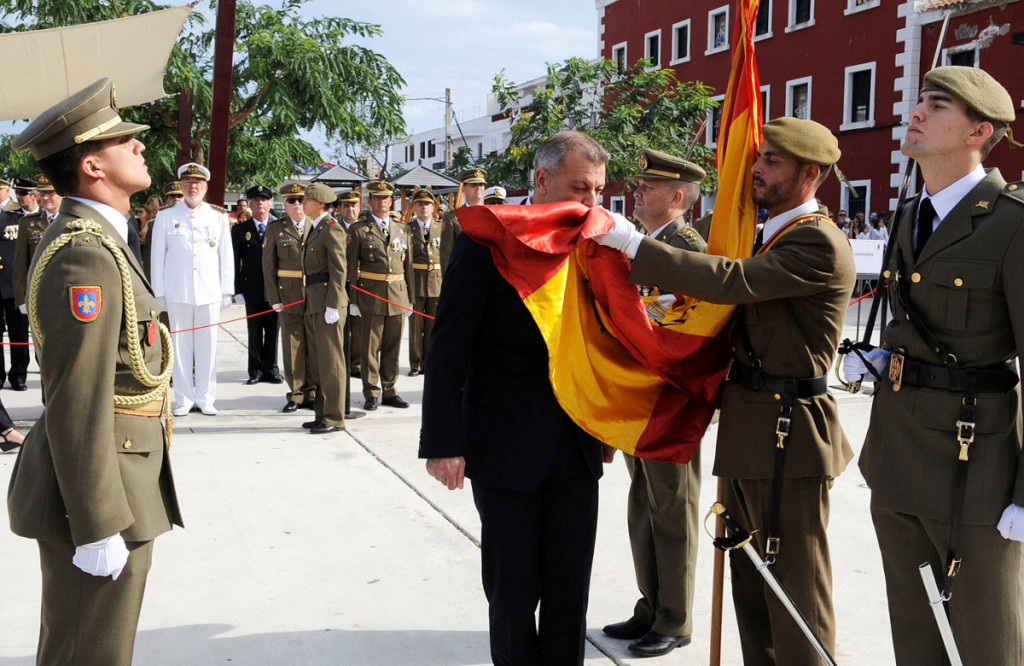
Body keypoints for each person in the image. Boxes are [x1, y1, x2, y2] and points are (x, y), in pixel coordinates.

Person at [596, 116, 855, 665]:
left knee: (794, 584)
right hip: (752, 424)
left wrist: (631, 244)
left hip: (790, 430)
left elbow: (731, 282)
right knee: (751, 579)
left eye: (772, 162)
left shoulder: (814, 240)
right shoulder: (770, 233)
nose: (755, 169)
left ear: (811, 174)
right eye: (758, 157)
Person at [843, 66, 1024, 666]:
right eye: (920, 99)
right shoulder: (909, 212)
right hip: (897, 454)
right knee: (915, 636)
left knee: (986, 638)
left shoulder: (1011, 223)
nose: (916, 111)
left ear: (979, 130)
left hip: (976, 469)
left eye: (937, 104)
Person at [420, 130, 614, 665]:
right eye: (580, 189)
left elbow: (603, 343)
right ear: (543, 179)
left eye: (599, 190)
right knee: (512, 593)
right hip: (504, 448)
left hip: (575, 447)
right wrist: (443, 441)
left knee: (570, 591)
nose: (592, 203)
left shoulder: (596, 243)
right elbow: (449, 347)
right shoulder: (488, 240)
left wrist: (607, 425)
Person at [7, 76, 182, 665]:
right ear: (91, 167)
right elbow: (75, 396)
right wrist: (96, 522)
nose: (139, 146)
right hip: (100, 493)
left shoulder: (105, 238)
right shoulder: (83, 252)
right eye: (123, 141)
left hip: (119, 475)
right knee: (87, 652)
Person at [601, 149, 707, 657]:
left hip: (671, 402)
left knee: (674, 509)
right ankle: (652, 604)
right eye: (639, 185)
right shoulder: (642, 245)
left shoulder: (687, 248)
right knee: (643, 505)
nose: (638, 191)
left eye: (649, 186)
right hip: (638, 397)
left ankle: (676, 617)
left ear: (678, 198)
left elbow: (675, 326)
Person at [150, 162, 234, 416]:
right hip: (178, 291)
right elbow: (157, 257)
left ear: (206, 187)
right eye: (187, 183)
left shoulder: (218, 216)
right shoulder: (166, 216)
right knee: (180, 345)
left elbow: (225, 255)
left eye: (197, 183)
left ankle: (206, 397)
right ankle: (184, 398)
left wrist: (226, 290)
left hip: (209, 291)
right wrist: (159, 293)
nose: (192, 187)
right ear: (181, 186)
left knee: (208, 346)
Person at [346, 180, 413, 411]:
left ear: (391, 201)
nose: (382, 202)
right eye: (377, 198)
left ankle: (390, 390)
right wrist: (353, 300)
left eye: (386, 198)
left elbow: (409, 267)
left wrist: (410, 298)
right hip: (370, 296)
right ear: (371, 201)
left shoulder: (402, 229)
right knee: (370, 349)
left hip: (397, 295)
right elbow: (350, 267)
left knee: (393, 348)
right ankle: (372, 392)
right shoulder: (359, 230)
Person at [299, 183, 348, 434]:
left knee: (331, 363)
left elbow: (339, 269)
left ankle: (334, 417)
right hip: (314, 300)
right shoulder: (314, 227)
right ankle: (321, 413)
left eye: (306, 199)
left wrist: (333, 304)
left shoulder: (331, 229)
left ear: (319, 203)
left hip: (327, 301)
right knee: (318, 362)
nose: (302, 203)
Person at [263, 182, 314, 412]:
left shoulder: (317, 225)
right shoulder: (276, 229)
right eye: (291, 201)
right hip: (289, 295)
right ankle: (296, 393)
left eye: (301, 200)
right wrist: (274, 298)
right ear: (284, 204)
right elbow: (269, 267)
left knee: (313, 346)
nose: (297, 205)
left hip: (315, 296)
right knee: (293, 346)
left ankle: (312, 392)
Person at [231, 184, 282, 385]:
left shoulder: (279, 228)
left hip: (275, 289)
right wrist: (237, 290)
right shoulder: (241, 230)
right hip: (251, 288)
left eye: (264, 200)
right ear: (250, 204)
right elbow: (235, 262)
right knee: (254, 331)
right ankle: (255, 370)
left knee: (273, 331)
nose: (260, 203)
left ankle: (272, 369)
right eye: (256, 200)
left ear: (269, 203)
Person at [0, 176, 37, 390]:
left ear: (5, 191)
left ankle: (19, 374)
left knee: (19, 333)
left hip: (13, 284)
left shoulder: (16, 214)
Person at [406, 188, 442, 377]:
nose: (424, 208)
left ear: (433, 207)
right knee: (415, 327)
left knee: (433, 326)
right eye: (420, 204)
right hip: (416, 281)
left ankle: (430, 362)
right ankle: (416, 363)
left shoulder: (441, 228)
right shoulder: (407, 229)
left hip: (437, 281)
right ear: (414, 208)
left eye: (427, 204)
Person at [14, 174, 60, 311]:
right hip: (39, 294)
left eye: (51, 193)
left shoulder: (74, 221)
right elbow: (20, 265)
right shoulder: (27, 223)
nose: (45, 197)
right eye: (42, 193)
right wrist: (21, 299)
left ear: (63, 194)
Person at [336, 189, 363, 379]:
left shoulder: (365, 228)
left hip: (360, 285)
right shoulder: (332, 227)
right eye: (346, 205)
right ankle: (340, 362)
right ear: (339, 208)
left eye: (354, 205)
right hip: (337, 285)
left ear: (360, 208)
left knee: (359, 329)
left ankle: (357, 364)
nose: (350, 209)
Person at [439, 167, 486, 273]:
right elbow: (446, 254)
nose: (478, 188)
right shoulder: (453, 218)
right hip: (464, 275)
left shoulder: (492, 215)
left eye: (481, 184)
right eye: (473, 185)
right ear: (463, 188)